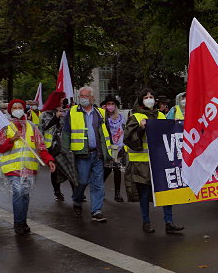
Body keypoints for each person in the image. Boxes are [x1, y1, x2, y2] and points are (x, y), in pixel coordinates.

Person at [123, 88, 184, 234]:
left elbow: (169, 135)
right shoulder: (135, 117)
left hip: (161, 160)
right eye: (146, 97)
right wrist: (141, 128)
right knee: (144, 193)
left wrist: (174, 124)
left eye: (151, 96)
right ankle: (146, 222)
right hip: (142, 162)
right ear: (141, 100)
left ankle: (169, 222)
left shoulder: (161, 115)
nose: (149, 99)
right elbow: (129, 138)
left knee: (166, 191)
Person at [0, 99, 56, 235]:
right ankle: (18, 223)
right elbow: (0, 147)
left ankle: (23, 221)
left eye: (20, 107)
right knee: (18, 192)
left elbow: (41, 147)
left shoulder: (31, 126)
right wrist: (12, 139)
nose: (17, 109)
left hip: (29, 167)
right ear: (10, 110)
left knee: (25, 194)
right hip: (12, 167)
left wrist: (49, 161)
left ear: (24, 109)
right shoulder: (6, 127)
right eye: (14, 107)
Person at [62, 86, 112, 222]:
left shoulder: (101, 113)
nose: (83, 98)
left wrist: (110, 152)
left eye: (85, 96)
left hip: (98, 154)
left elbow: (106, 133)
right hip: (81, 154)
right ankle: (77, 200)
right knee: (82, 181)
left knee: (98, 183)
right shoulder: (72, 112)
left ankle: (96, 210)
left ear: (92, 98)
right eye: (81, 96)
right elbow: (66, 132)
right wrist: (65, 150)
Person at [101, 95, 125, 202]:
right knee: (106, 169)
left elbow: (124, 129)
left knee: (117, 169)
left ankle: (117, 193)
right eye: (108, 104)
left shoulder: (121, 117)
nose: (110, 106)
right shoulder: (103, 117)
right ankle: (99, 189)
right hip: (107, 147)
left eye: (112, 104)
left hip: (118, 147)